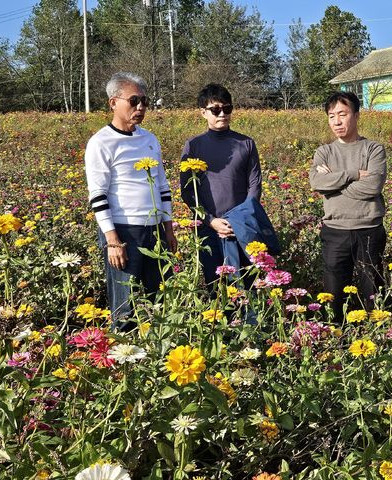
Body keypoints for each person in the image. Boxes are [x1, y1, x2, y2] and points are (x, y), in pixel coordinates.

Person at [84, 72, 177, 330]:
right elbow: (98, 195)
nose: (140, 107)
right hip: (125, 232)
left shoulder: (149, 139)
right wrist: (113, 241)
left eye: (144, 102)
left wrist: (168, 228)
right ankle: (124, 362)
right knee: (126, 305)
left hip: (156, 231)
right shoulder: (101, 143)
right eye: (134, 100)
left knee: (160, 300)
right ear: (114, 102)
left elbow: (162, 186)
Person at [309, 91, 387, 320]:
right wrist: (353, 174)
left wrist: (334, 180)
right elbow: (317, 182)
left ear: (356, 115)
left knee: (372, 288)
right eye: (331, 116)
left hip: (369, 229)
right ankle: (335, 334)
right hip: (335, 230)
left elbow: (372, 188)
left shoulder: (373, 149)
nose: (337, 121)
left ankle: (377, 334)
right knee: (333, 292)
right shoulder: (324, 152)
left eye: (342, 114)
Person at [180, 84, 262, 288]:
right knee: (216, 285)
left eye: (227, 108)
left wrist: (239, 220)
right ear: (203, 112)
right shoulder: (194, 145)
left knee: (246, 284)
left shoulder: (246, 143)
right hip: (208, 228)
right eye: (215, 110)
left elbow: (254, 185)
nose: (222, 114)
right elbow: (188, 191)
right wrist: (210, 221)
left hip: (241, 227)